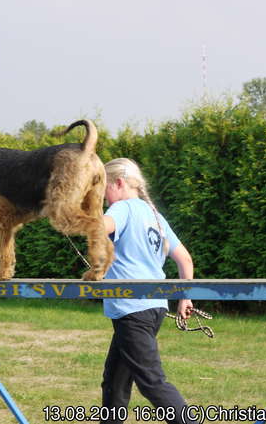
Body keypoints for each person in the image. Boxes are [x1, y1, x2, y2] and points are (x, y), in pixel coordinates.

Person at [100, 158, 197, 424]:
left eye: (103, 190)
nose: (103, 198)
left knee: (152, 382)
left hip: (132, 310)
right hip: (153, 307)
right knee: (115, 382)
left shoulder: (123, 208)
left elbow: (99, 227)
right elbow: (185, 260)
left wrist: (73, 213)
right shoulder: (154, 215)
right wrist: (184, 296)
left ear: (119, 184)